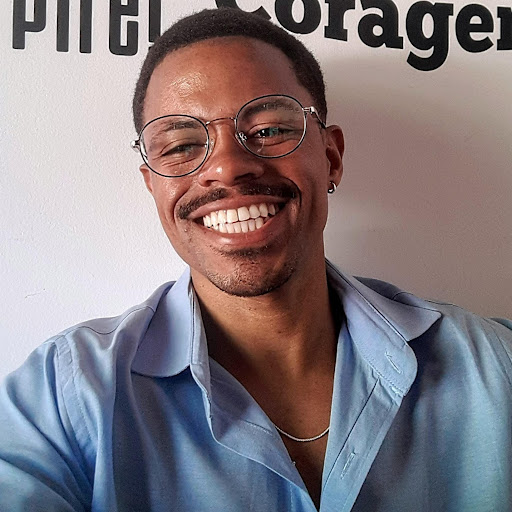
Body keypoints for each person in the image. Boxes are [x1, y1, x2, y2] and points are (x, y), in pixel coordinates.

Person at [0, 7, 511, 512]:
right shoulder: (63, 399)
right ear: (152, 183)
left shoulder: (495, 366)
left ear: (331, 157)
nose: (227, 167)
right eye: (180, 145)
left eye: (267, 130)